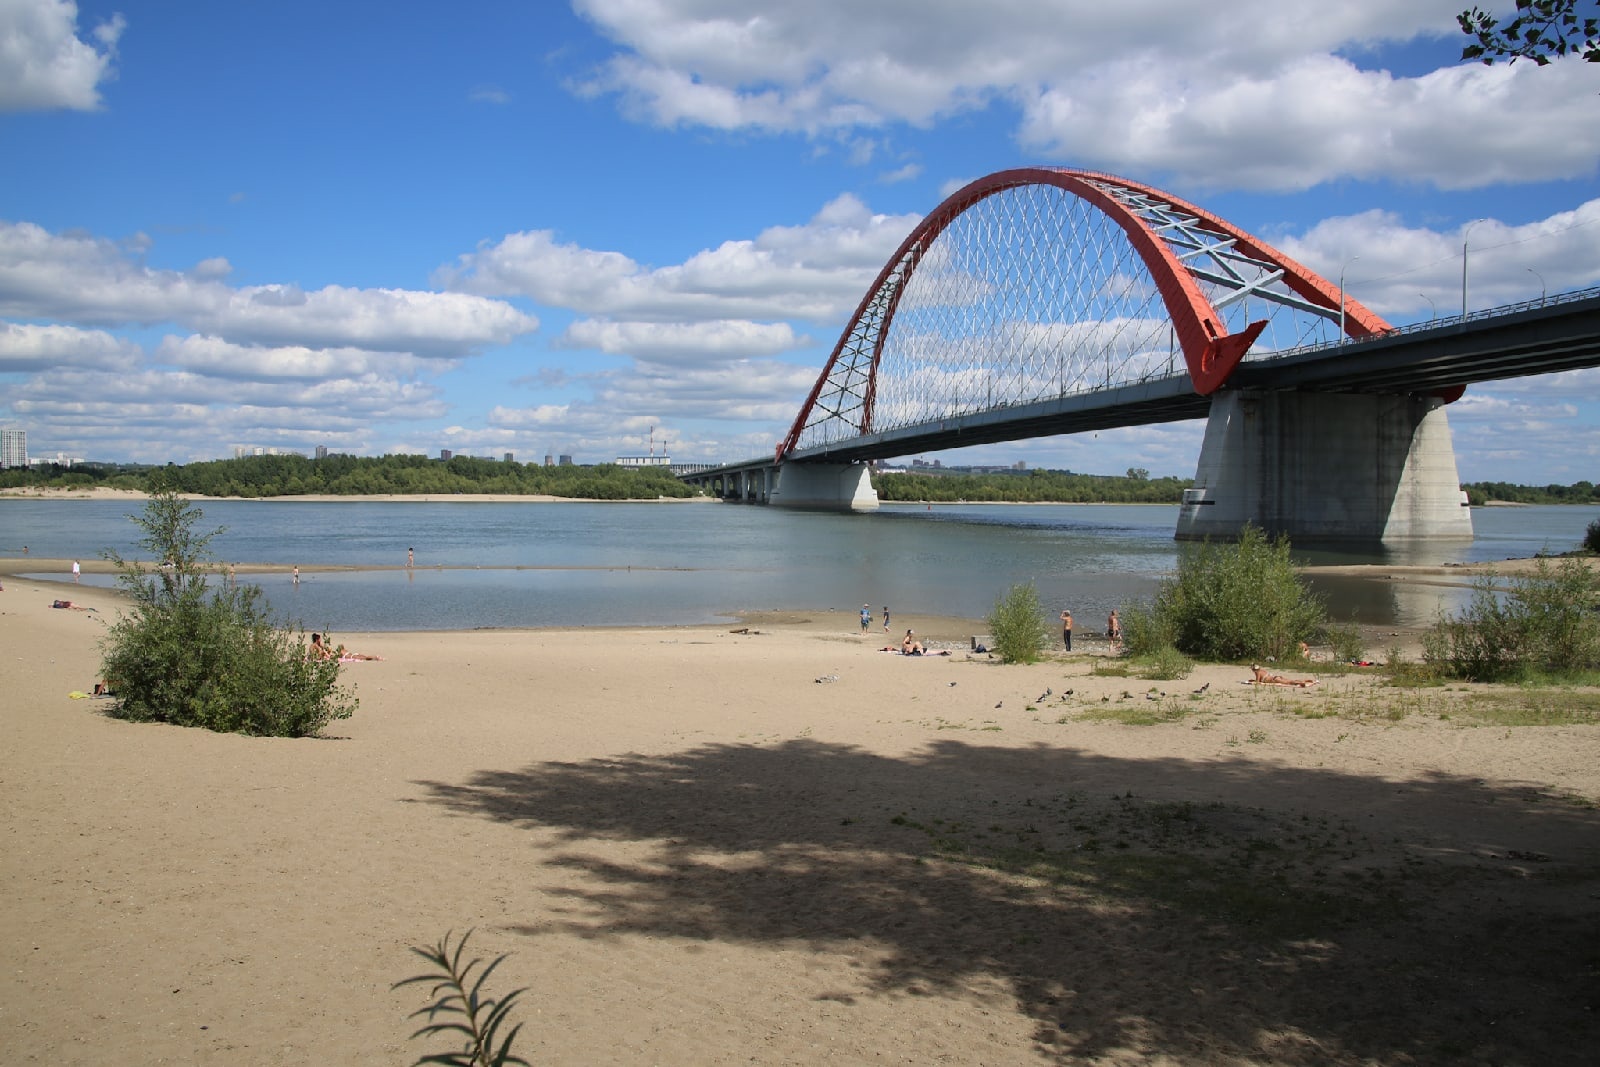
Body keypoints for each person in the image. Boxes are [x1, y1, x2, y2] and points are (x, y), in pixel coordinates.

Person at [1250, 664, 1315, 688]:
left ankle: (1301, 683)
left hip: (1274, 680)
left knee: (1289, 683)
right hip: (1276, 677)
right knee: (1290, 681)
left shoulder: (1257, 673)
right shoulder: (1262, 670)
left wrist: (1252, 681)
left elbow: (1258, 682)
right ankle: (1304, 681)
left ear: (1254, 670)